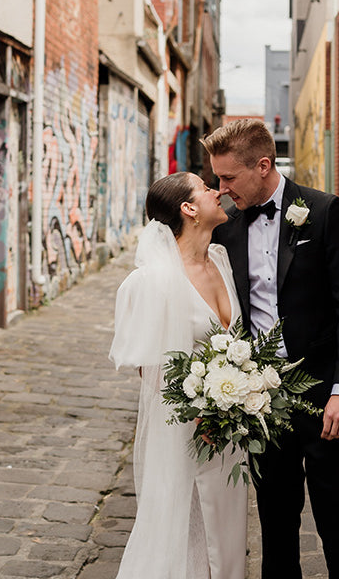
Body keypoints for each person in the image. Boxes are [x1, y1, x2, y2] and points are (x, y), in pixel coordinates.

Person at [202, 119, 339, 579]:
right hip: (262, 402)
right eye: (216, 179)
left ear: (263, 166)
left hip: (325, 399)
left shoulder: (323, 212)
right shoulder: (227, 227)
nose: (220, 189)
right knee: (275, 527)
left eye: (227, 178)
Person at [109, 172, 247, 579]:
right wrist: (197, 410)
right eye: (206, 188)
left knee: (226, 535)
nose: (217, 190)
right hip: (185, 433)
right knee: (180, 533)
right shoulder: (150, 281)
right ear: (188, 209)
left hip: (228, 433)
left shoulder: (221, 260)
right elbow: (146, 366)